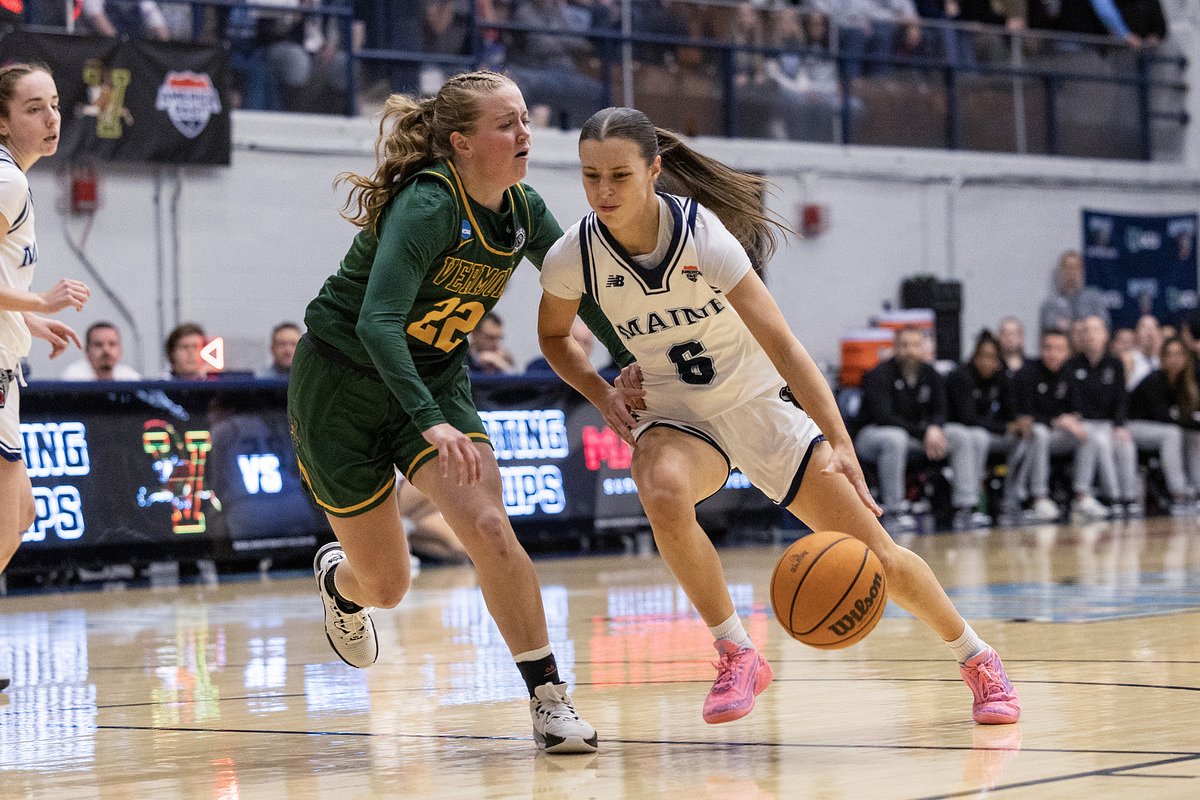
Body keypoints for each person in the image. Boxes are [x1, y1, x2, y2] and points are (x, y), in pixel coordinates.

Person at [537, 106, 1020, 728]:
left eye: (619, 176)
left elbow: (786, 345)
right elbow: (554, 336)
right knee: (658, 485)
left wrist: (840, 442)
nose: (603, 192)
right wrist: (601, 391)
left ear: (654, 170)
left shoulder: (701, 236)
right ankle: (736, 650)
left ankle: (977, 657)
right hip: (679, 412)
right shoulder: (573, 254)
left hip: (757, 404)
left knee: (877, 555)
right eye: (590, 176)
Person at [288, 71, 632, 754]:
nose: (525, 133)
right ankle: (339, 581)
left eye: (526, 119)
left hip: (435, 377)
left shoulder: (525, 209)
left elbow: (581, 291)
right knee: (387, 586)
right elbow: (379, 324)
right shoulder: (427, 205)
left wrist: (628, 359)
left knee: (488, 525)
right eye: (507, 124)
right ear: (462, 143)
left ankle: (548, 699)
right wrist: (430, 420)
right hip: (342, 385)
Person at [0, 63, 92, 693]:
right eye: (33, 108)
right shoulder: (6, 182)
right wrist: (42, 305)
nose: (51, 117)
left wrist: (29, 327)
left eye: (55, 104)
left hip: (7, 362)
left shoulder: (13, 181)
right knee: (13, 512)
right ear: (3, 120)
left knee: (24, 509)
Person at [855, 326, 972, 534]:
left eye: (916, 345)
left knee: (960, 435)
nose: (910, 351)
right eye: (905, 345)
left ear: (924, 348)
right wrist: (925, 432)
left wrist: (935, 428)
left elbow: (941, 410)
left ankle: (965, 506)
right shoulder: (879, 374)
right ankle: (894, 510)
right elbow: (884, 417)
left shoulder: (931, 374)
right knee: (895, 438)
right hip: (873, 435)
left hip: (916, 436)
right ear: (895, 348)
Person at [1010, 328, 1102, 521]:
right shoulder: (1026, 374)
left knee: (1087, 432)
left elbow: (1076, 410)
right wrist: (1057, 420)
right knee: (1040, 432)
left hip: (1056, 437)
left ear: (1068, 352)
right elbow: (1024, 418)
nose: (1053, 353)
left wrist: (1072, 420)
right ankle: (1039, 497)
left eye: (1059, 349)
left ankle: (1082, 496)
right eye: (1048, 348)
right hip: (1028, 439)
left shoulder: (1069, 374)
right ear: (1040, 349)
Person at [943, 330, 1028, 529]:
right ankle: (968, 504)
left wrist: (1020, 423)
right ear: (974, 356)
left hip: (988, 433)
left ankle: (1014, 497)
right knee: (977, 436)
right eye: (982, 356)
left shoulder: (1002, 377)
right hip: (955, 431)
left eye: (992, 358)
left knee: (1028, 437)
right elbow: (968, 418)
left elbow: (1011, 412)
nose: (986, 362)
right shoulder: (961, 376)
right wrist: (1006, 426)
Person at [1066, 314, 1139, 516]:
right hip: (1085, 423)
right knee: (1101, 443)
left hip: (1109, 423)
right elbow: (1071, 400)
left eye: (1095, 330)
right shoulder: (1073, 365)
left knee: (1125, 443)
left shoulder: (1114, 364)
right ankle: (1112, 496)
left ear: (1105, 335)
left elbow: (1121, 399)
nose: (1090, 335)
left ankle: (1129, 497)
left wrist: (1119, 425)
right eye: (1085, 330)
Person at [1127, 336, 1195, 513]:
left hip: (1160, 429)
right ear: (1163, 357)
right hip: (1134, 427)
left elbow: (1187, 415)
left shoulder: (1185, 383)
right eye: (1169, 354)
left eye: (1179, 354)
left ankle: (1196, 489)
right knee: (1172, 433)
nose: (1174, 359)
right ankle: (1178, 494)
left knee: (1194, 435)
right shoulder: (1155, 380)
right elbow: (1164, 416)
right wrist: (1192, 421)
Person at [1039, 250, 1110, 334]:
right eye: (1067, 267)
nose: (1071, 272)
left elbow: (1104, 325)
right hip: (1062, 344)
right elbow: (1049, 328)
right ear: (1060, 271)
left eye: (1075, 267)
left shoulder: (1094, 298)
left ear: (1082, 271)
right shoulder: (1051, 303)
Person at [60, 321, 141, 381]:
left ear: (121, 350)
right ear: (87, 351)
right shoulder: (72, 379)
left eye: (112, 344)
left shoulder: (132, 379)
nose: (106, 350)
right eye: (98, 345)